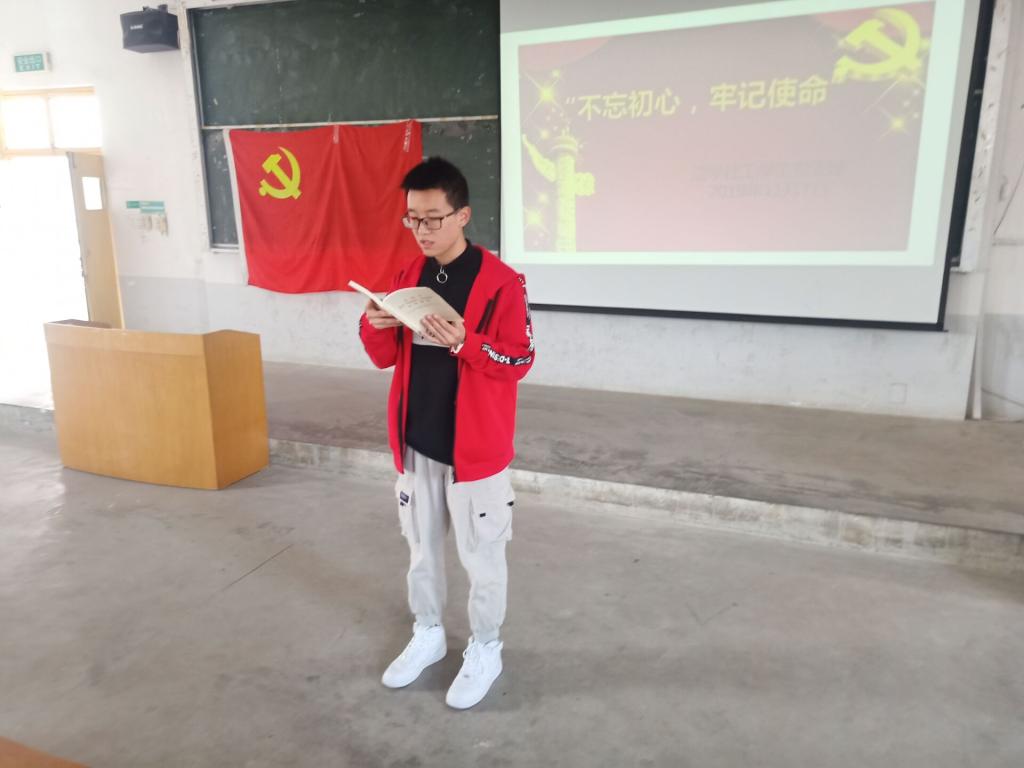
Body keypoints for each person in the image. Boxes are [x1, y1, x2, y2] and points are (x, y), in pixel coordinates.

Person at [358, 156, 535, 709]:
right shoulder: (408, 276)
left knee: (483, 559)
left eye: (433, 218)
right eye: (412, 218)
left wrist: (466, 341)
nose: (422, 230)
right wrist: (374, 322)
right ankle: (429, 632)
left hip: (475, 454)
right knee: (421, 553)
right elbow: (384, 358)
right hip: (417, 445)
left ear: (463, 215)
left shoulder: (501, 283)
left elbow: (520, 359)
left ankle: (486, 647)